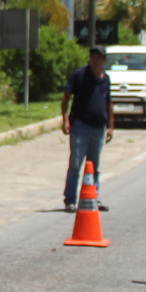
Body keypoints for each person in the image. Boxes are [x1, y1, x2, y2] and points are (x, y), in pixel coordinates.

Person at [61, 46, 110, 211]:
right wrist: (65, 120)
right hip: (81, 125)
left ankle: (92, 197)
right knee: (76, 163)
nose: (96, 60)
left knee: (95, 165)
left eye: (99, 57)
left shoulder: (105, 78)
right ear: (90, 58)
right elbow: (66, 98)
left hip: (99, 127)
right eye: (93, 57)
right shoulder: (79, 75)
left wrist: (110, 126)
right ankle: (70, 200)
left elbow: (108, 103)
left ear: (104, 60)